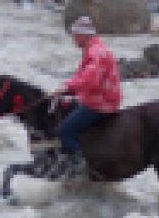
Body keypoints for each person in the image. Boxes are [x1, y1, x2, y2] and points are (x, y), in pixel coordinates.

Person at [51, 15, 122, 173]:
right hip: (97, 98)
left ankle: (82, 168)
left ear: (83, 35)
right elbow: (82, 77)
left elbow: (91, 81)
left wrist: (66, 88)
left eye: (74, 36)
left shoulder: (96, 53)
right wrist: (68, 88)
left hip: (101, 104)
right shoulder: (93, 49)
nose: (73, 39)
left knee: (65, 131)